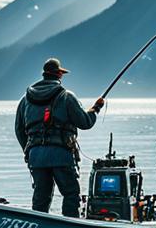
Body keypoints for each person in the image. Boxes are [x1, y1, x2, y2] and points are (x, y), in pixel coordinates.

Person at [15, 57, 105, 216]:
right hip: (61, 155)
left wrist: (28, 150)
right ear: (59, 75)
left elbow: (19, 129)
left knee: (40, 198)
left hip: (36, 156)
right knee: (70, 195)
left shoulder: (25, 100)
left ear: (44, 75)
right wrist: (96, 108)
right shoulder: (66, 96)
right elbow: (85, 122)